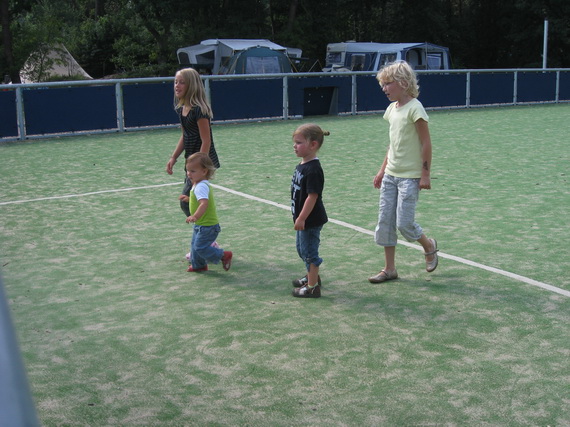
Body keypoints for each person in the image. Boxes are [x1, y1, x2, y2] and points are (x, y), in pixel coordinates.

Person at [369, 61, 439, 284]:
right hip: (391, 176)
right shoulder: (391, 110)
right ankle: (389, 269)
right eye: (382, 85)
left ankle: (428, 245)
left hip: (410, 178)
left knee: (404, 223)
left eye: (387, 83)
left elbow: (426, 143)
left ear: (403, 82)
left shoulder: (415, 108)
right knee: (385, 222)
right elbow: (392, 145)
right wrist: (382, 171)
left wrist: (425, 174)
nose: (384, 89)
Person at [166, 68, 220, 218]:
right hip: (191, 163)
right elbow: (185, 135)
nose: (177, 85)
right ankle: (203, 229)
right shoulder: (181, 110)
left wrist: (200, 164)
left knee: (189, 201)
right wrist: (173, 157)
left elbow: (206, 140)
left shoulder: (199, 111)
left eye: (182, 82)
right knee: (191, 200)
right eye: (176, 82)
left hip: (201, 163)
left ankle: (207, 228)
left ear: (192, 86)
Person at [290, 124, 329, 298]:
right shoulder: (303, 164)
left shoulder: (313, 169)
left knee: (309, 253)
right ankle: (311, 277)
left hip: (310, 220)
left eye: (299, 142)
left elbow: (312, 197)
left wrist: (301, 218)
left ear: (313, 145)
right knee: (301, 249)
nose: (294, 146)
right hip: (303, 218)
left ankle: (312, 287)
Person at [183, 152, 232, 272]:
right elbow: (199, 200)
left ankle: (223, 255)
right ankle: (199, 266)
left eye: (193, 171)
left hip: (208, 226)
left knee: (200, 247)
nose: (189, 174)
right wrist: (189, 199)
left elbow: (204, 203)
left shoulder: (201, 186)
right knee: (195, 247)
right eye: (188, 170)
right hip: (201, 225)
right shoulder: (198, 184)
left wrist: (195, 216)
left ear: (204, 171)